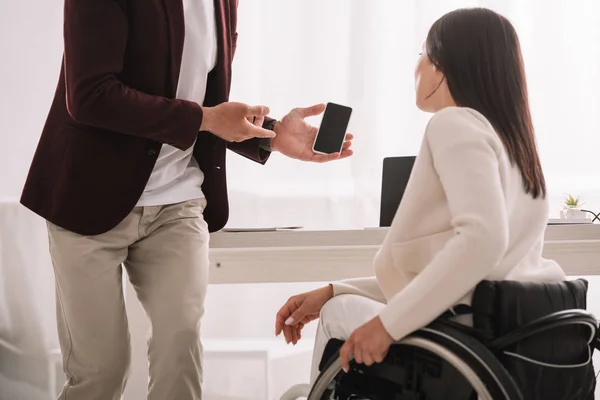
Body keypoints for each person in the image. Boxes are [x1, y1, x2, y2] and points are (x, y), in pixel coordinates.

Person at [19, 1, 353, 399]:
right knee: (101, 372)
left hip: (178, 202)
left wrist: (272, 134)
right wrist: (207, 119)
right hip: (88, 196)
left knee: (180, 351)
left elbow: (198, 98)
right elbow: (90, 95)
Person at [275, 7, 566, 382]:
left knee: (338, 316)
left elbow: (481, 243)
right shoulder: (517, 148)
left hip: (460, 341)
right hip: (515, 337)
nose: (418, 68)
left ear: (444, 65)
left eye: (423, 55)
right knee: (338, 303)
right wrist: (334, 289)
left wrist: (388, 325)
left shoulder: (453, 123)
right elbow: (464, 277)